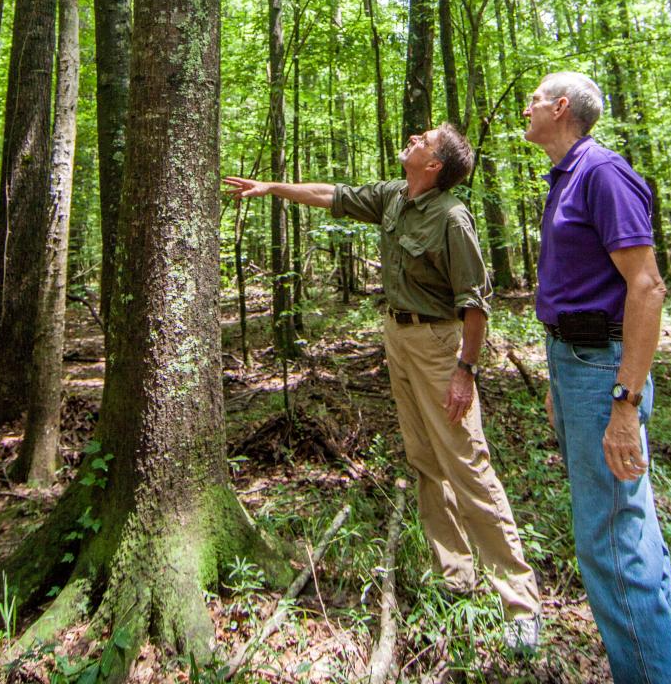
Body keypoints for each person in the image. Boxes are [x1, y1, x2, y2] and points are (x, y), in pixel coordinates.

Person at [225, 123, 542, 652]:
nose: (414, 137)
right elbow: (334, 195)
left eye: (425, 138)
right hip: (398, 337)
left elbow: (476, 304)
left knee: (467, 463)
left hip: (441, 347)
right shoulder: (396, 196)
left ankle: (521, 604)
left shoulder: (452, 217)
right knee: (425, 460)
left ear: (435, 164)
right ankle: (455, 578)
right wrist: (273, 189)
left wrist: (465, 370)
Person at [523, 71, 671, 684]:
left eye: (535, 100)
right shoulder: (566, 177)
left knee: (610, 544)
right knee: (624, 528)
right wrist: (559, 377)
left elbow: (647, 288)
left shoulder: (602, 172)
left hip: (604, 372)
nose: (526, 107)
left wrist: (624, 402)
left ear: (561, 108)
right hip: (577, 366)